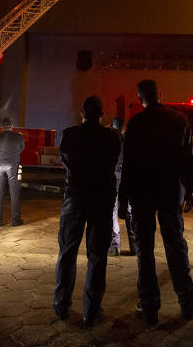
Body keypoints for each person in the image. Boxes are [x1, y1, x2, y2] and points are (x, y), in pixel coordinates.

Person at [118, 79, 193, 325]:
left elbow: (128, 165)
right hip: (170, 192)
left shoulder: (136, 124)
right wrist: (190, 190)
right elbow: (189, 160)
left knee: (145, 250)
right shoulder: (178, 120)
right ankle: (187, 302)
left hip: (142, 194)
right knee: (176, 246)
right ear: (160, 94)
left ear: (140, 97)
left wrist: (123, 200)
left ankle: (150, 306)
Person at [53, 96, 121, 326]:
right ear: (102, 113)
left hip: (75, 200)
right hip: (101, 202)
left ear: (82, 111)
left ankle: (61, 305)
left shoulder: (69, 134)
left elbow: (67, 161)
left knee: (67, 253)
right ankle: (91, 310)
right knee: (97, 256)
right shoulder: (112, 137)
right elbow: (113, 163)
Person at [109, 117, 135, 257]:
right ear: (124, 128)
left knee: (112, 213)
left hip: (112, 182)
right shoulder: (130, 142)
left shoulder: (108, 141)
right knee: (130, 212)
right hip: (127, 182)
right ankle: (135, 246)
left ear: (113, 127)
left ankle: (114, 247)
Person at [0, 117, 25, 227]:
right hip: (12, 166)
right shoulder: (18, 137)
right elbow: (21, 148)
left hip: (0, 166)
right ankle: (15, 220)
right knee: (14, 193)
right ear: (12, 126)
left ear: (2, 127)